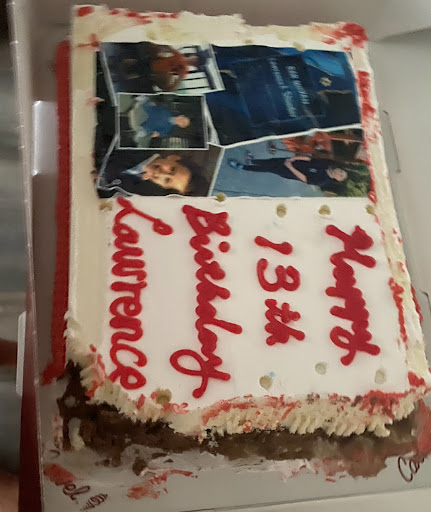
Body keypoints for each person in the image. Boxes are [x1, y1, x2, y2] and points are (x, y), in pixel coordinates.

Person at [228, 154, 347, 189]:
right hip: (293, 162)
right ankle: (252, 161)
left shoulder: (323, 181)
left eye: (341, 175)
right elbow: (310, 159)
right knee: (272, 161)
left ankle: (242, 167)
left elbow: (305, 179)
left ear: (337, 179)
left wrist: (290, 167)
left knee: (269, 168)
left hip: (290, 171)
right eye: (341, 171)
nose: (339, 172)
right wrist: (294, 158)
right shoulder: (326, 164)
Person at [119, 154, 209, 196]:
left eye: (167, 180)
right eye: (172, 169)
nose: (162, 174)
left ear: (163, 187)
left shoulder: (131, 189)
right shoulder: (139, 147)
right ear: (173, 158)